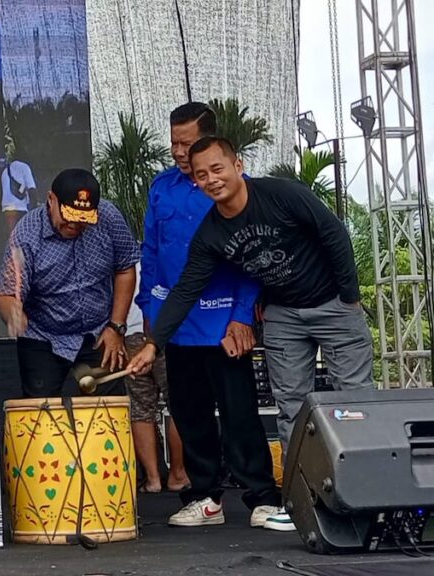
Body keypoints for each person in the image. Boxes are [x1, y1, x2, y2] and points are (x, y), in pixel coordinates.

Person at [130, 135, 374, 532]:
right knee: (292, 407)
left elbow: (333, 233)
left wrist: (348, 298)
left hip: (331, 304)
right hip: (282, 315)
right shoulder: (211, 233)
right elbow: (187, 288)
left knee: (354, 398)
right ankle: (303, 501)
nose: (211, 179)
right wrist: (154, 343)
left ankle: (367, 494)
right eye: (202, 174)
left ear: (238, 165)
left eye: (217, 169)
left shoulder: (282, 195)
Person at [136, 103, 278, 528]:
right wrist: (149, 309)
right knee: (188, 410)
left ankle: (262, 497)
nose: (179, 151)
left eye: (187, 143)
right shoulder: (161, 187)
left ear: (209, 142)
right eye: (174, 142)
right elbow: (151, 250)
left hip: (223, 323)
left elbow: (254, 259)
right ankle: (205, 498)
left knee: (239, 413)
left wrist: (241, 317)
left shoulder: (234, 187)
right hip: (176, 322)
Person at [0, 168, 138, 398]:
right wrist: (13, 314)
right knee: (41, 414)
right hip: (43, 335)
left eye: (83, 220)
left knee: (109, 408)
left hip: (98, 331)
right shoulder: (27, 233)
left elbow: (125, 268)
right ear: (51, 200)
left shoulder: (108, 217)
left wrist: (116, 326)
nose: (74, 225)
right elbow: (6, 293)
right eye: (68, 216)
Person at [125, 263, 189, 493]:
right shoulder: (164, 259)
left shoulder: (124, 262)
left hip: (130, 332)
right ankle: (178, 474)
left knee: (140, 406)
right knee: (179, 403)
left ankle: (152, 479)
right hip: (164, 332)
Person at [1, 156, 36, 232]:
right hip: (20, 208)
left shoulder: (5, 171)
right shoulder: (24, 167)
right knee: (23, 235)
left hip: (7, 209)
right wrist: (34, 208)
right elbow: (31, 188)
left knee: (12, 235)